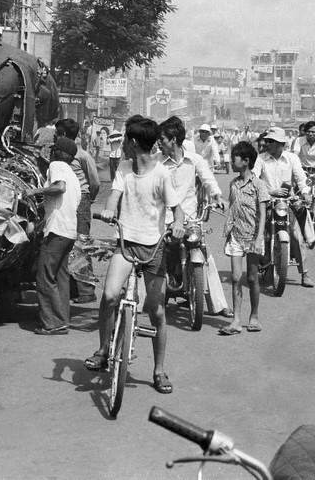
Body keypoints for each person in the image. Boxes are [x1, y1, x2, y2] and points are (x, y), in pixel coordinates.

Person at [83, 117, 185, 395]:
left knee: (157, 311)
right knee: (109, 295)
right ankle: (104, 349)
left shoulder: (161, 173)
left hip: (154, 247)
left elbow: (178, 209)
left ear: (133, 142)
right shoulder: (124, 169)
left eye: (125, 140)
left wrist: (177, 224)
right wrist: (108, 209)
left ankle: (159, 370)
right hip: (126, 245)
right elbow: (114, 196)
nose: (123, 145)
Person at [158, 116, 230, 318]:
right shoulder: (157, 161)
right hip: (162, 220)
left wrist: (218, 197)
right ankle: (138, 302)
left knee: (205, 255)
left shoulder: (194, 160)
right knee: (151, 256)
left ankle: (219, 304)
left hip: (189, 218)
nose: (159, 144)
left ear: (173, 139)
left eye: (162, 139)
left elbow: (209, 180)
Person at [24, 136, 81, 335]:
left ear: (60, 153)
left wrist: (33, 191)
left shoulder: (57, 165)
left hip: (57, 230)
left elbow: (59, 187)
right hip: (69, 231)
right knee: (61, 276)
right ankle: (62, 319)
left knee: (44, 276)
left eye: (54, 149)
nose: (51, 152)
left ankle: (52, 323)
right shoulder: (74, 175)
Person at [252, 126, 315, 288]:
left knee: (295, 234)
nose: (267, 144)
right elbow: (253, 180)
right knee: (256, 231)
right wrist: (271, 191)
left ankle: (305, 272)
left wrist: (306, 193)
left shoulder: (292, 158)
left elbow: (301, 179)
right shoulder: (260, 159)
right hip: (266, 201)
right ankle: (256, 263)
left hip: (286, 203)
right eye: (267, 141)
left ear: (281, 144)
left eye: (271, 142)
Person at [219, 141, 269, 335]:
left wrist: (258, 240)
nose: (231, 161)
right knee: (235, 277)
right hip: (236, 236)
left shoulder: (258, 185)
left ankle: (254, 316)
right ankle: (236, 320)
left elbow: (263, 214)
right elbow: (232, 206)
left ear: (246, 161)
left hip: (253, 237)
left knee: (252, 277)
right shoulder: (233, 183)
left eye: (235, 158)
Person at [55, 118, 101, 304]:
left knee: (81, 244)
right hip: (64, 201)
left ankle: (86, 290)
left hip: (80, 201)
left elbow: (95, 182)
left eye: (58, 133)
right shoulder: (57, 155)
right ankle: (71, 288)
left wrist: (88, 200)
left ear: (64, 134)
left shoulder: (82, 155)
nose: (55, 137)